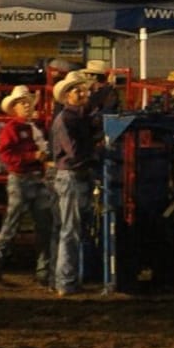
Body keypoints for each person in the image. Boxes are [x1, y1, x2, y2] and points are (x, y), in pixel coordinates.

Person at [0, 85, 55, 288]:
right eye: (22, 103)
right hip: (21, 179)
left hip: (33, 179)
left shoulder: (32, 127)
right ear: (14, 107)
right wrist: (33, 156)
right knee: (13, 226)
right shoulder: (12, 129)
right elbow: (7, 157)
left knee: (43, 226)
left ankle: (41, 272)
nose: (26, 105)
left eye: (28, 102)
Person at [50, 70, 100, 296]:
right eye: (76, 90)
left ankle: (67, 278)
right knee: (70, 230)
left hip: (75, 174)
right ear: (67, 95)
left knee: (72, 229)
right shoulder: (67, 120)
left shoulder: (78, 117)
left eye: (82, 89)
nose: (81, 93)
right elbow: (75, 151)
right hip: (71, 175)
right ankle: (64, 281)